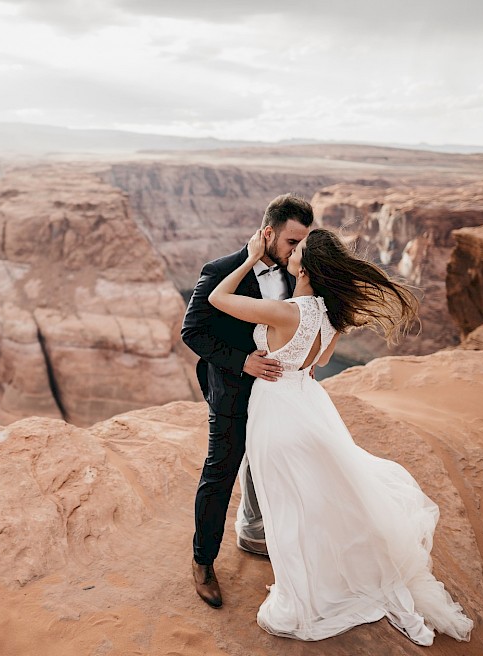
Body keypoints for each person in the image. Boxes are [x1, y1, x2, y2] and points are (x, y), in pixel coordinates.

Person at [207, 227, 473, 646]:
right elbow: (319, 361)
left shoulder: (286, 311)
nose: (292, 252)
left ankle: (306, 594)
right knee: (311, 499)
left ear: (306, 268)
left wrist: (248, 256)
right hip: (309, 404)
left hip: (276, 412)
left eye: (299, 249)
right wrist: (295, 359)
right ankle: (330, 573)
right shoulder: (331, 316)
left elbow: (216, 300)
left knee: (287, 505)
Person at [181, 194, 314, 609]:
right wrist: (243, 363)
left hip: (278, 396)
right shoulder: (221, 271)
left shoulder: (295, 272)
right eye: (293, 241)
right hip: (233, 390)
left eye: (302, 242)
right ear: (268, 233)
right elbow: (193, 331)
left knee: (272, 466)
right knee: (219, 472)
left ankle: (256, 531)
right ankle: (203, 562)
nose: (298, 250)